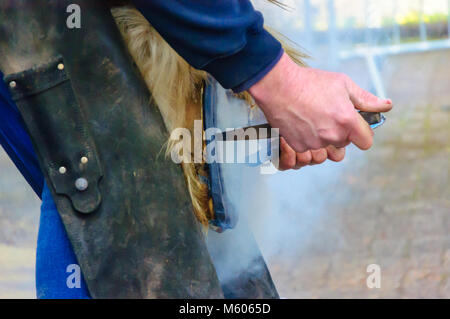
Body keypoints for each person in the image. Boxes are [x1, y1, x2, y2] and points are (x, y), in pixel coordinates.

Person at [0, 0, 392, 298]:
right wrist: (278, 82)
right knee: (105, 226)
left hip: (97, 64)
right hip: (88, 62)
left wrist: (265, 96)